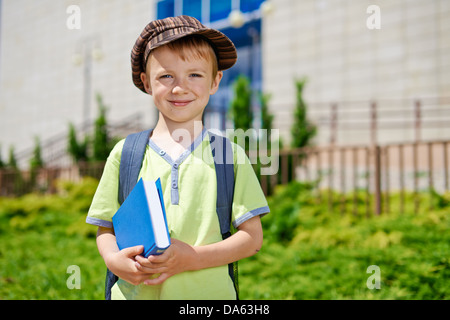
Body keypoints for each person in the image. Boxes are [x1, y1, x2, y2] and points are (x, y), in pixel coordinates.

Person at [86, 15, 269, 300]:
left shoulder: (229, 155)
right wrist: (114, 261)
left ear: (215, 81)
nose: (179, 87)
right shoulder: (125, 153)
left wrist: (191, 257)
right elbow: (105, 227)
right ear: (147, 82)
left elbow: (252, 239)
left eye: (195, 74)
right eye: (166, 76)